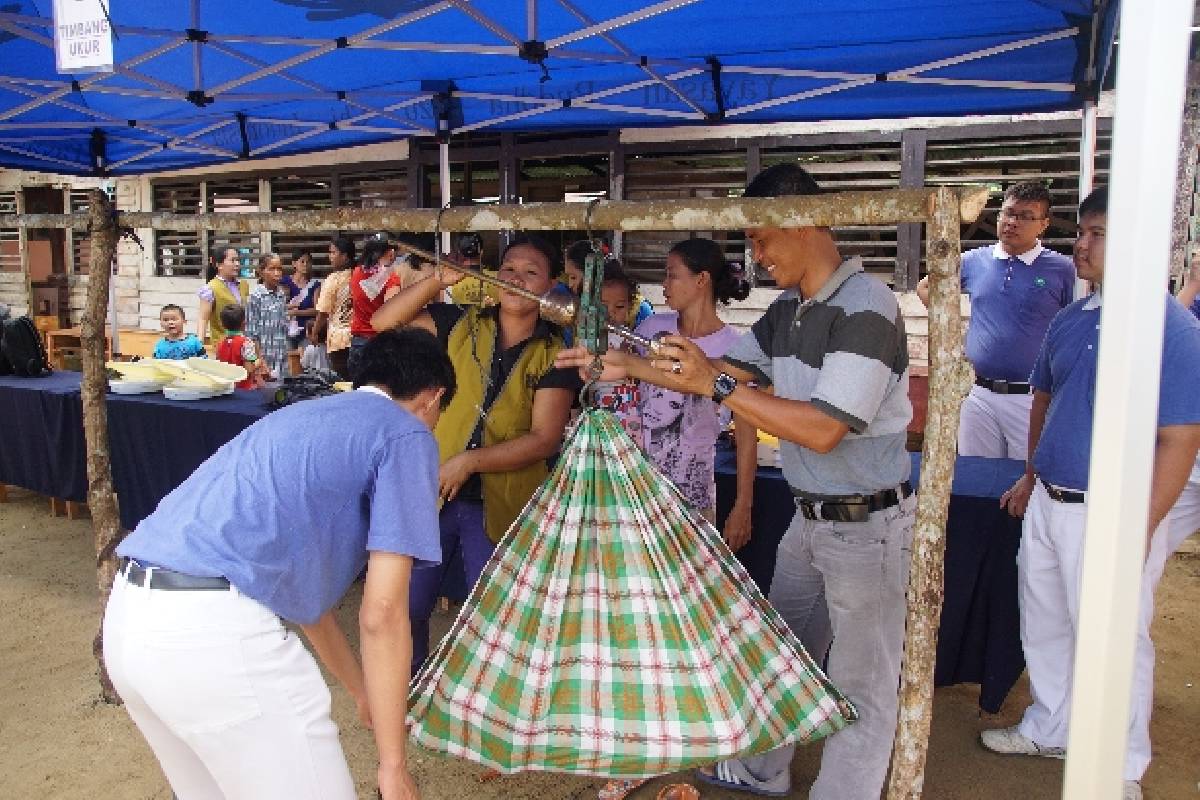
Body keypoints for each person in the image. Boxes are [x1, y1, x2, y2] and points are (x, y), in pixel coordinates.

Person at [558, 163, 915, 800]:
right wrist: (625, 363)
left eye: (759, 238)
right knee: (783, 656)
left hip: (866, 524)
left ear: (802, 222)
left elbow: (825, 428)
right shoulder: (789, 309)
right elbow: (721, 368)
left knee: (862, 685)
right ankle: (761, 770)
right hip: (811, 520)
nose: (754, 253)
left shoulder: (867, 305)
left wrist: (712, 382)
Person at [104, 328, 454, 800]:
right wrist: (392, 765)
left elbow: (307, 604)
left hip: (132, 624)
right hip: (215, 635)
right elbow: (383, 614)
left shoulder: (303, 415)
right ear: (434, 397)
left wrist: (360, 691)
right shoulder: (406, 432)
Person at [984, 187, 1200, 800]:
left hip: (1111, 512)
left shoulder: (1169, 327)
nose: (1082, 243)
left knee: (1116, 640)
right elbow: (1043, 402)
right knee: (1047, 623)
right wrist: (1029, 476)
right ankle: (1051, 725)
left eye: (1098, 233)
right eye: (1081, 231)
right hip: (1051, 501)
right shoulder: (1072, 317)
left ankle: (1121, 765)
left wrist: (1143, 525)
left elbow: (1180, 438)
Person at [370, 233, 579, 675]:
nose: (516, 279)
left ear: (549, 286)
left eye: (530, 272)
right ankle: (412, 689)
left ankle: (488, 708)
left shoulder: (555, 351)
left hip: (502, 501)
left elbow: (544, 439)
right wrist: (437, 280)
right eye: (508, 269)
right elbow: (384, 322)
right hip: (436, 492)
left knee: (496, 616)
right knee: (410, 604)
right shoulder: (458, 323)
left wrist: (470, 461)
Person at [917, 181, 1075, 459]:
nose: (1013, 222)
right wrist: (951, 328)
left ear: (1043, 224)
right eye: (1008, 213)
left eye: (1025, 216)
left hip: (1030, 398)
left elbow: (1075, 326)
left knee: (1024, 480)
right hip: (977, 393)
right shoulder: (974, 261)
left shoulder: (1062, 270)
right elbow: (926, 288)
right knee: (976, 476)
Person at [565, 239, 654, 328]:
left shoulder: (641, 311)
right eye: (603, 306)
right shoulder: (573, 308)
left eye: (574, 277)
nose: (610, 314)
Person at [348, 234, 402, 372]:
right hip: (380, 344)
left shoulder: (356, 272)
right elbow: (392, 314)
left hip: (358, 343)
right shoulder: (391, 278)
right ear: (390, 253)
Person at [312, 236, 356, 379]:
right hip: (359, 337)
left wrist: (314, 332)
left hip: (339, 339)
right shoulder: (360, 275)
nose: (330, 256)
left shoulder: (333, 279)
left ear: (344, 256)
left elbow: (323, 312)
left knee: (342, 382)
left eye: (333, 252)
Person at [246, 252, 290, 380]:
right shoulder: (256, 296)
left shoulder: (281, 294)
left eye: (279, 269)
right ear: (261, 271)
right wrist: (260, 360)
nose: (277, 273)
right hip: (264, 360)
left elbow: (283, 326)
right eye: (272, 269)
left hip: (281, 358)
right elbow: (251, 334)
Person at [196, 246, 250, 344]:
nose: (237, 264)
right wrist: (199, 345)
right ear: (219, 265)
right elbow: (203, 319)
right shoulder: (210, 288)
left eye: (238, 260)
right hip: (222, 346)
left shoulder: (244, 285)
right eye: (232, 260)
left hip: (242, 345)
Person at [216, 304, 266, 389]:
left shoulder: (220, 343)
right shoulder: (246, 343)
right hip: (243, 388)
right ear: (244, 323)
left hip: (226, 388)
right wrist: (259, 361)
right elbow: (249, 369)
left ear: (222, 325)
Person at [283, 249, 321, 352]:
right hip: (285, 330)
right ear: (294, 264)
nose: (305, 264)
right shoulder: (284, 282)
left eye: (308, 262)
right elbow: (277, 303)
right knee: (288, 362)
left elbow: (317, 310)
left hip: (305, 331)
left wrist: (296, 312)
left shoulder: (314, 285)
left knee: (305, 362)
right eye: (302, 261)